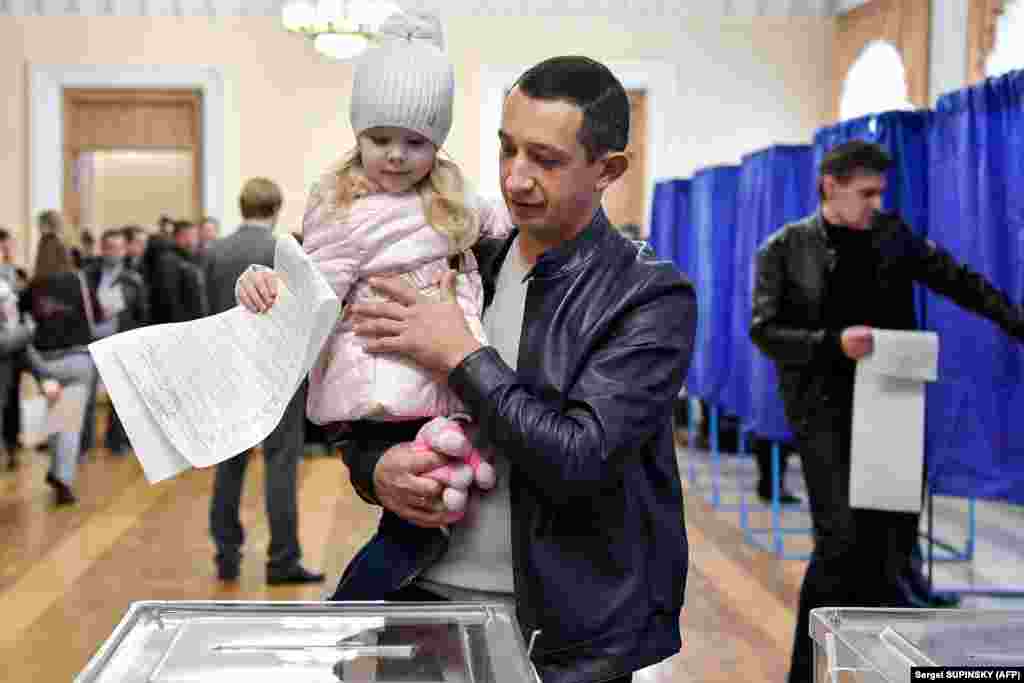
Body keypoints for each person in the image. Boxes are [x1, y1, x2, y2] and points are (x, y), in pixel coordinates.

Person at [243, 54, 697, 683]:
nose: (516, 178)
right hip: (421, 597)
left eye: (547, 159)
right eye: (507, 149)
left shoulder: (647, 297)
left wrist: (461, 356)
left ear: (608, 170)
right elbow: (360, 399)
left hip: (566, 639)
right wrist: (377, 469)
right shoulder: (463, 251)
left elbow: (582, 458)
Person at [750, 140, 1024, 683]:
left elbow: (957, 279)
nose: (876, 203)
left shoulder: (893, 235)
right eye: (866, 192)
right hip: (824, 410)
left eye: (880, 192)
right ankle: (804, 673)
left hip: (893, 401)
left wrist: (1014, 320)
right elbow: (765, 331)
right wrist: (832, 343)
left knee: (894, 542)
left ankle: (895, 666)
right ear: (830, 185)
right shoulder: (783, 249)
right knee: (841, 540)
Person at [236, 12, 511, 495]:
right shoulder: (347, 212)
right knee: (422, 506)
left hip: (449, 380)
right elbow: (312, 291)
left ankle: (456, 457)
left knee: (446, 498)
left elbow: (506, 219)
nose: (396, 155)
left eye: (416, 142)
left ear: (438, 144)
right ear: (357, 137)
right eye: (379, 139)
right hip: (384, 385)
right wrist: (264, 284)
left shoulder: (456, 201)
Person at [204, 177, 324, 585]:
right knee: (280, 465)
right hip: (276, 373)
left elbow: (204, 317)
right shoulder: (285, 250)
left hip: (228, 371)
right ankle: (282, 558)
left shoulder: (215, 252)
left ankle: (225, 551)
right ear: (275, 208)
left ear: (242, 207)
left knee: (229, 465)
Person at [22, 234, 98, 504]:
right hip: (76, 360)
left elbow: (25, 323)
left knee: (56, 413)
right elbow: (95, 317)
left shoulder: (32, 287)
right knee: (69, 422)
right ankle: (63, 479)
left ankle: (56, 471)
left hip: (45, 363)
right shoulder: (77, 280)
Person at [82, 228, 149, 455]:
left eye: (118, 248)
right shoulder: (87, 274)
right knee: (85, 396)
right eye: (109, 247)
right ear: (102, 248)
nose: (114, 252)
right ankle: (82, 444)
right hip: (89, 342)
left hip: (119, 341)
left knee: (120, 398)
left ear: (124, 250)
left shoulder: (133, 279)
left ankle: (117, 441)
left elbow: (142, 313)